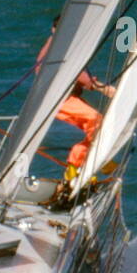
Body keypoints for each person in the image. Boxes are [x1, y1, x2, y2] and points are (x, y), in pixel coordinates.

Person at [33, 20, 116, 172]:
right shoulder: (57, 48)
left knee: (97, 125)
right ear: (54, 29)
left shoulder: (59, 45)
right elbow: (73, 71)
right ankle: (91, 161)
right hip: (57, 99)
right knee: (94, 119)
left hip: (63, 97)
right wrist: (102, 88)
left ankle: (77, 167)